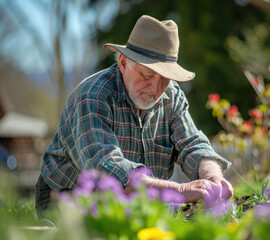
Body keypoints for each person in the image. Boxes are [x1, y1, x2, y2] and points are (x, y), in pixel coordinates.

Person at [35, 15, 233, 216]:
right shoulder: (93, 96)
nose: (156, 88)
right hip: (67, 198)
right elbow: (109, 171)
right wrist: (181, 190)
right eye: (147, 75)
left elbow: (193, 144)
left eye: (164, 79)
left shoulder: (171, 95)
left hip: (140, 200)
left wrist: (212, 177)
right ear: (123, 63)